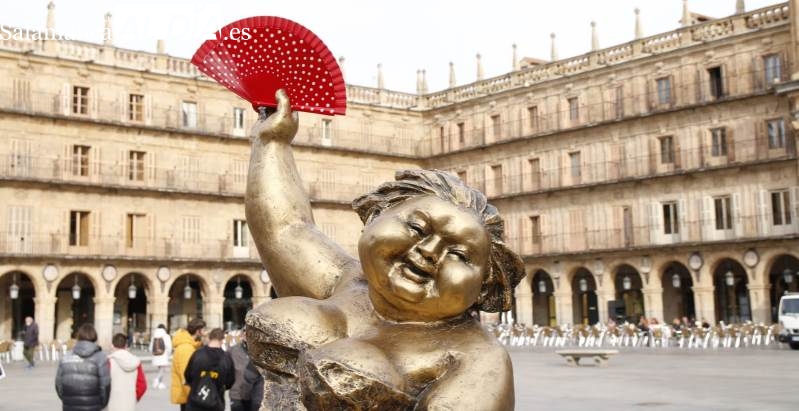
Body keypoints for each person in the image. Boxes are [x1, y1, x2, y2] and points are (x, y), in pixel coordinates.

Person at [244, 90, 525, 410]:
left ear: (483, 286)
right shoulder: (347, 281)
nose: (430, 251)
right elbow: (285, 228)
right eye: (417, 228)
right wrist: (272, 143)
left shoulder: (478, 358)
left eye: (459, 255)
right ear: (377, 215)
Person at [55, 323, 111, 411]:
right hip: (93, 405)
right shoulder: (101, 357)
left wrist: (67, 399)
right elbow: (105, 385)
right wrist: (102, 403)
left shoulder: (66, 357)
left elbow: (59, 384)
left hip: (70, 406)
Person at [183, 328, 235, 411]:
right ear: (222, 340)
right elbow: (230, 381)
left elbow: (187, 375)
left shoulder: (197, 354)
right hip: (216, 402)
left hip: (195, 401)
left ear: (210, 338)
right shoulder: (226, 358)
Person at [171, 319, 206, 411]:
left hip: (190, 395)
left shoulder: (191, 346)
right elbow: (186, 376)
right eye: (204, 330)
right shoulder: (185, 348)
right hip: (189, 396)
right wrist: (194, 397)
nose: (205, 333)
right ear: (198, 331)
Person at [108, 333, 147, 411]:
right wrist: (135, 398)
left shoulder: (109, 362)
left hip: (112, 402)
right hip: (130, 403)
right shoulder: (135, 362)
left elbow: (104, 384)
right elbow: (142, 385)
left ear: (112, 345)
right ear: (126, 346)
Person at [228, 333, 254, 411]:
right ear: (242, 335)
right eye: (245, 333)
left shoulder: (258, 352)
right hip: (236, 395)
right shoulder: (232, 350)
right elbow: (225, 369)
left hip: (253, 395)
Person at [149, 324, 172, 389]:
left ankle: (160, 383)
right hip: (163, 355)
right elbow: (169, 346)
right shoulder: (166, 336)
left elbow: (150, 347)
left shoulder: (154, 336)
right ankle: (157, 379)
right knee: (162, 370)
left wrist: (153, 354)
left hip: (156, 355)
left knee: (160, 369)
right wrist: (168, 354)